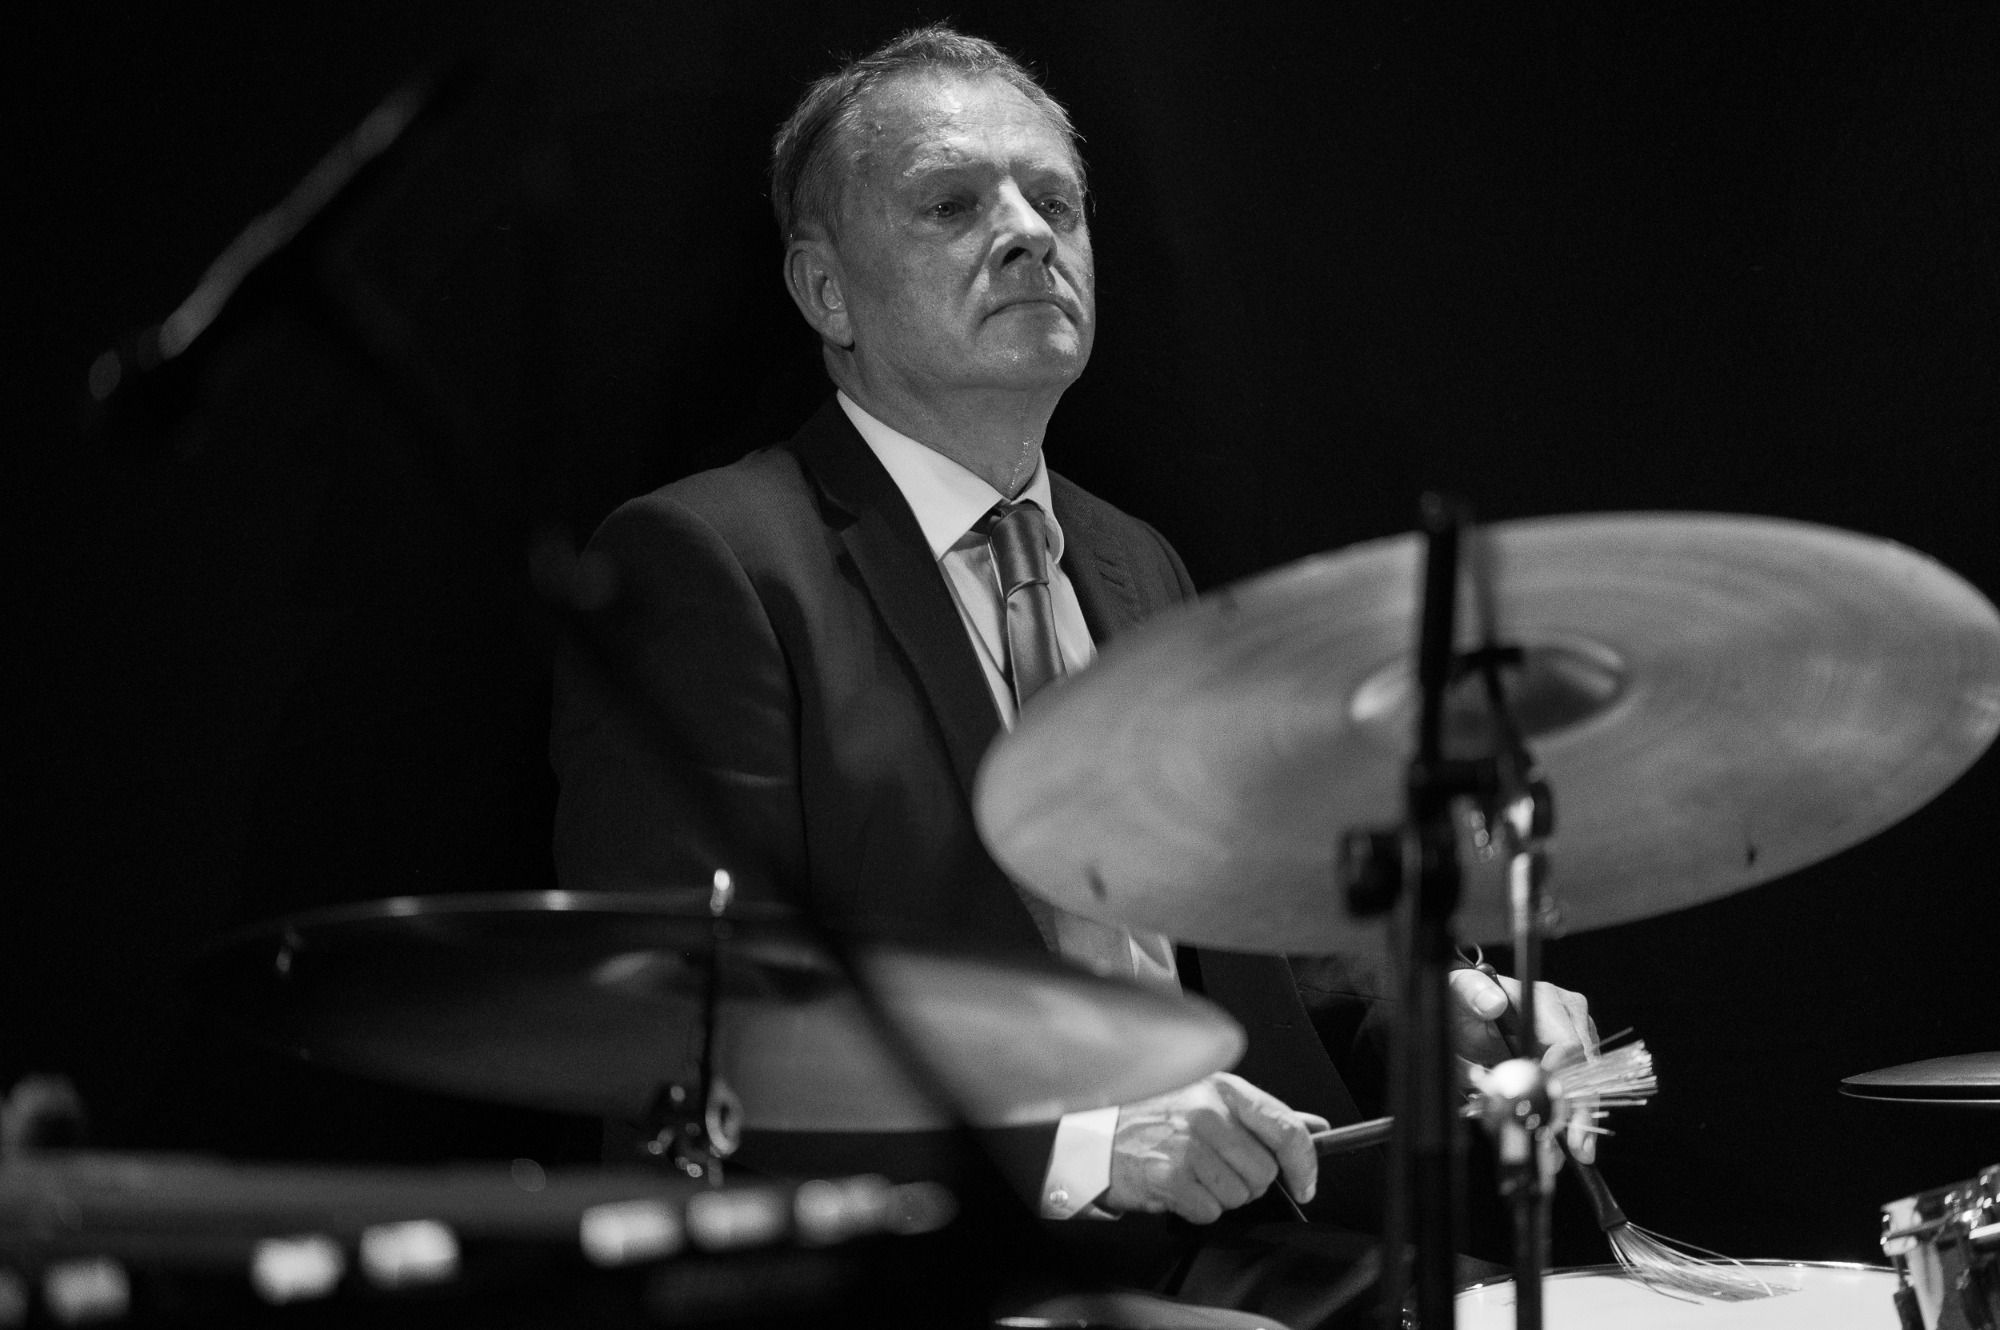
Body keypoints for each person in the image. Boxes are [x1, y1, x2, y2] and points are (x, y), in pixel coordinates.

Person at [550, 23, 1595, 1326]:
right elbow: (690, 1023)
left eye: (1056, 201)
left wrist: (1443, 1014)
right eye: (953, 203)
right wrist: (1083, 1144)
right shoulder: (706, 560)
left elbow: (1259, 948)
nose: (1028, 233)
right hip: (938, 1273)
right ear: (825, 292)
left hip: (1237, 1248)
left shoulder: (1133, 560)